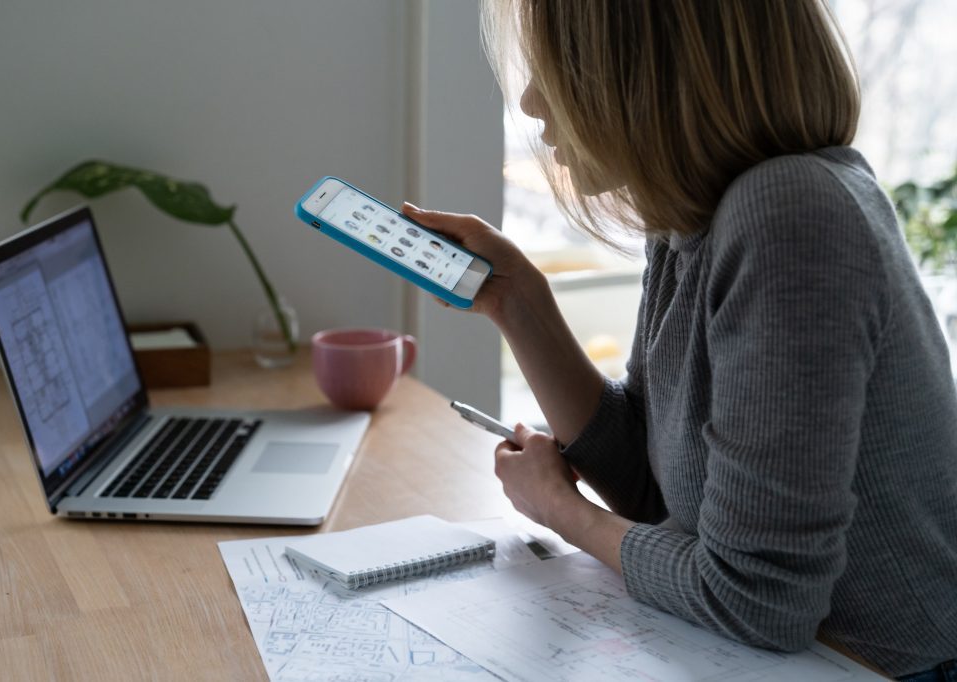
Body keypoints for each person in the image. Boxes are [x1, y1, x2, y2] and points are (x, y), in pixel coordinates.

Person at [401, 1, 957, 679]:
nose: (531, 101)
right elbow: (652, 491)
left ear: (648, 72)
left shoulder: (791, 213)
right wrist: (519, 302)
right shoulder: (694, 220)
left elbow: (757, 599)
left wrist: (557, 508)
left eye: (561, 68)